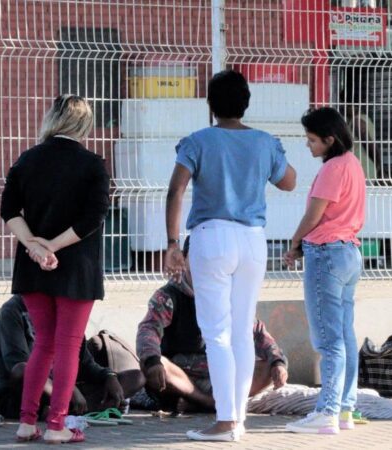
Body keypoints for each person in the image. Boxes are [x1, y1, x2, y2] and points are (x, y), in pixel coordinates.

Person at [163, 70, 297, 442]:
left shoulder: (198, 141)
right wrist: (274, 151)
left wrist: (172, 244)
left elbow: (176, 191)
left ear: (210, 105)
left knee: (217, 333)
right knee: (241, 332)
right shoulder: (264, 142)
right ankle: (236, 419)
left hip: (211, 238)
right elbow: (289, 181)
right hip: (254, 240)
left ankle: (226, 422)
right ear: (247, 103)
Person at [0, 94, 110, 444]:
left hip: (32, 269)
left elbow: (9, 211)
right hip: (77, 269)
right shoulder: (93, 164)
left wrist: (34, 246)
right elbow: (93, 218)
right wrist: (54, 246)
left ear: (52, 120)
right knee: (67, 346)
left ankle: (27, 422)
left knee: (43, 345)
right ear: (84, 124)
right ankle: (57, 426)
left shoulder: (27, 160)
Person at [283, 107, 366, 435]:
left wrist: (294, 242)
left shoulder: (333, 168)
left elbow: (315, 214)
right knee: (344, 334)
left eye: (312, 140)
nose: (308, 145)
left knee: (328, 338)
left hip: (327, 255)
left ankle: (327, 411)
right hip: (348, 253)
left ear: (330, 140)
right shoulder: (353, 164)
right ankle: (345, 409)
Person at [137, 238, 288, 413]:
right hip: (182, 379)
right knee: (159, 365)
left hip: (222, 374)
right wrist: (152, 360)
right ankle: (207, 402)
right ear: (184, 260)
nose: (204, 266)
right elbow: (149, 329)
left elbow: (257, 332)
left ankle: (208, 402)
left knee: (270, 365)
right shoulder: (168, 297)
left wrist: (278, 361)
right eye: (198, 259)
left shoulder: (229, 295)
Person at [0, 295, 145, 420]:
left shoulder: (67, 307)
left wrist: (109, 375)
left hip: (73, 389)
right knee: (24, 370)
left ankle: (73, 410)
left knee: (136, 377)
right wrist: (68, 389)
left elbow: (86, 364)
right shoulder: (14, 310)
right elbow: (17, 366)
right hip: (29, 394)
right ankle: (83, 409)